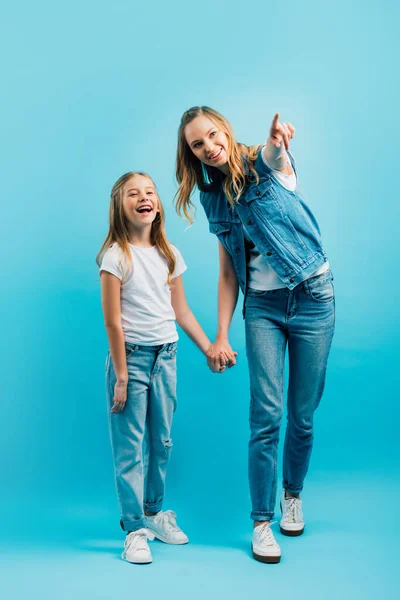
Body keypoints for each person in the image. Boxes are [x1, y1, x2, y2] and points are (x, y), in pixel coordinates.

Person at [175, 107, 335, 564]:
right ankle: (262, 523)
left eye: (211, 135)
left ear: (224, 129)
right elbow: (229, 271)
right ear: (192, 154)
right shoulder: (211, 199)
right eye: (197, 144)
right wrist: (221, 334)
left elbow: (270, 158)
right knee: (266, 415)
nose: (208, 146)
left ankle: (293, 495)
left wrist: (275, 142)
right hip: (261, 308)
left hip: (313, 297)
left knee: (302, 415)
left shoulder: (267, 165)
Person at [97, 171, 236, 564]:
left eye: (150, 192)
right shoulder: (116, 256)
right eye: (133, 194)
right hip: (133, 359)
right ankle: (134, 528)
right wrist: (122, 376)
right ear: (120, 206)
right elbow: (112, 322)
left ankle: (154, 513)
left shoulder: (169, 253)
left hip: (167, 358)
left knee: (162, 442)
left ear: (157, 204)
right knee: (130, 449)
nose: (144, 198)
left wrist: (210, 347)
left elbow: (181, 311)